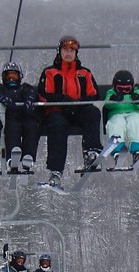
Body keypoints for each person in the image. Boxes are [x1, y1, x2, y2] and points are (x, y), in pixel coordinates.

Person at [37, 36, 102, 189]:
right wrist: (64, 101)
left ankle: (91, 152)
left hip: (78, 110)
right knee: (57, 125)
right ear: (59, 52)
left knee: (92, 112)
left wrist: (77, 104)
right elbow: (44, 94)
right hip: (58, 110)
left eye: (72, 51)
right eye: (65, 50)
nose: (68, 53)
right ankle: (56, 169)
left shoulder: (84, 73)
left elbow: (93, 94)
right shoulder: (50, 73)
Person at [0, 62, 40, 173]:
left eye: (14, 76)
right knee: (12, 129)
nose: (11, 80)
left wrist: (29, 100)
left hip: (25, 116)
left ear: (19, 77)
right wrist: (3, 99)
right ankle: (12, 158)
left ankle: (28, 156)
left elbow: (32, 91)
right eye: (8, 77)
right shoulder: (0, 88)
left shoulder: (24, 88)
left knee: (32, 127)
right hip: (10, 118)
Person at [102, 69, 139, 165]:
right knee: (117, 123)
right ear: (115, 87)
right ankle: (117, 150)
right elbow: (107, 105)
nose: (123, 92)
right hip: (116, 114)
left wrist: (138, 100)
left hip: (133, 113)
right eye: (120, 89)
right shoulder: (111, 92)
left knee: (137, 122)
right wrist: (113, 100)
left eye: (127, 89)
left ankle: (137, 150)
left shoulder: (136, 91)